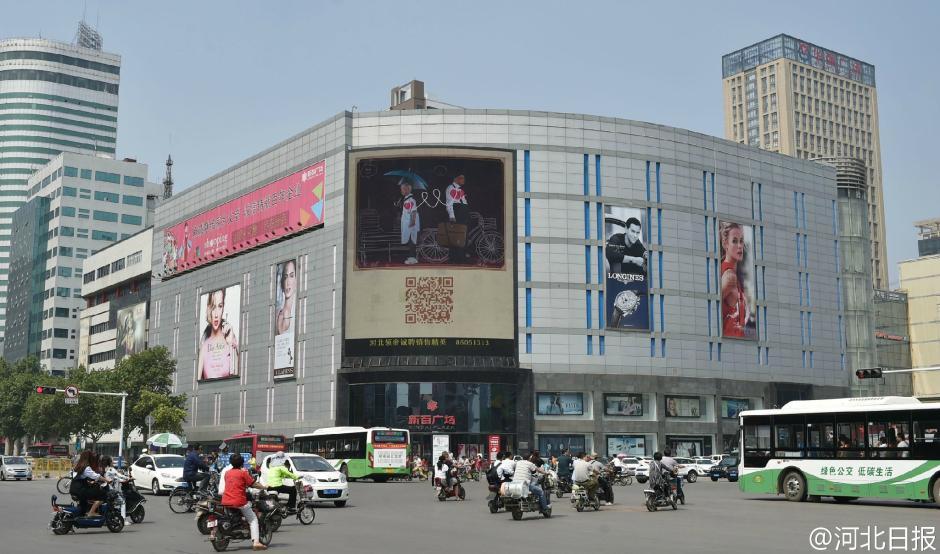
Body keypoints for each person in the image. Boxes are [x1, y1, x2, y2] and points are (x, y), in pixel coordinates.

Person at [220, 454, 267, 551]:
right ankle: (256, 542)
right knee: (253, 519)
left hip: (225, 500)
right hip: (239, 501)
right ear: (242, 463)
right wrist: (264, 487)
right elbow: (253, 484)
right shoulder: (243, 473)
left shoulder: (227, 473)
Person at [198, 288, 240, 380]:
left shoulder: (231, 339)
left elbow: (237, 377)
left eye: (220, 306)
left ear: (223, 307)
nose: (216, 314)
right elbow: (197, 383)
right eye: (213, 307)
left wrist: (231, 344)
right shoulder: (204, 344)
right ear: (209, 308)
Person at [719, 221, 752, 338]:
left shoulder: (731, 274)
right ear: (725, 244)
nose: (739, 246)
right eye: (734, 241)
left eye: (741, 241)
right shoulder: (729, 277)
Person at [70, 450, 110, 517]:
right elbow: (96, 476)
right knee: (102, 495)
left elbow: (79, 477)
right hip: (80, 490)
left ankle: (83, 513)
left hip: (73, 489)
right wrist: (107, 480)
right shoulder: (86, 468)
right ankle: (91, 512)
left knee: (86, 500)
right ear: (89, 458)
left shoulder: (78, 466)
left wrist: (89, 482)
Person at [444, 174, 470, 263]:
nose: (464, 180)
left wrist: (467, 211)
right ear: (455, 178)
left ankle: (461, 257)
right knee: (456, 236)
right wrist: (451, 216)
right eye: (461, 178)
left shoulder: (461, 190)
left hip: (463, 213)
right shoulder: (450, 188)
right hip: (457, 213)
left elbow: (464, 201)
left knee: (463, 235)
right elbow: (449, 203)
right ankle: (454, 258)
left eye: (464, 178)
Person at [100, 455, 132, 525]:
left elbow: (115, 477)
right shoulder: (111, 469)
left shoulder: (103, 469)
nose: (113, 462)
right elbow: (118, 475)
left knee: (111, 504)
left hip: (104, 490)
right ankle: (123, 520)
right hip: (111, 491)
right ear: (109, 462)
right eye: (112, 460)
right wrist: (128, 478)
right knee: (122, 502)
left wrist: (123, 479)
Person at [395, 180, 420, 265]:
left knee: (412, 239)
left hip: (410, 222)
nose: (401, 191)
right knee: (410, 238)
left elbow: (413, 211)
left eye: (403, 189)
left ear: (407, 190)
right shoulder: (406, 199)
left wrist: (412, 221)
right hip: (407, 222)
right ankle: (411, 257)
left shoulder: (411, 200)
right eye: (401, 189)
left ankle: (412, 258)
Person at [276, 260, 297, 335]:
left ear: (296, 279)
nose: (288, 282)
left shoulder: (298, 314)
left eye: (291, 276)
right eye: (285, 277)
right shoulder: (277, 312)